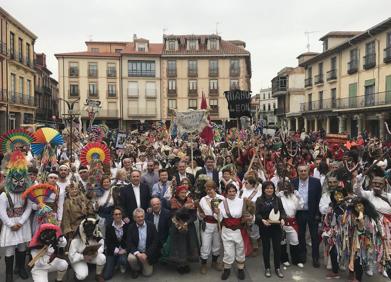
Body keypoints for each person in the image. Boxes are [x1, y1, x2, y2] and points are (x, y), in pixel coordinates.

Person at [0, 151, 33, 282]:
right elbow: (1, 212)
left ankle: (20, 268)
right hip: (10, 224)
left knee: (22, 246)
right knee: (9, 248)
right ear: (10, 179)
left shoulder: (26, 193)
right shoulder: (4, 195)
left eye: (21, 179)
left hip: (22, 223)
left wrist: (22, 221)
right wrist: (10, 224)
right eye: (16, 179)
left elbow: (29, 207)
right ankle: (9, 274)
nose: (19, 183)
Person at [215, 183, 251, 280]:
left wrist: (249, 217)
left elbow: (247, 213)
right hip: (227, 230)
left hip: (239, 230)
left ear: (236, 192)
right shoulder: (222, 203)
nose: (232, 193)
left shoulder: (242, 202)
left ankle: (240, 269)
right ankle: (227, 270)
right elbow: (220, 218)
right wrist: (217, 213)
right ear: (226, 193)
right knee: (228, 252)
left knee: (240, 250)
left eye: (233, 191)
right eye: (229, 191)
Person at [162, 185, 199, 274]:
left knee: (188, 244)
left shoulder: (190, 201)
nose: (183, 194)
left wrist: (187, 223)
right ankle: (179, 264)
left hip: (189, 226)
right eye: (181, 192)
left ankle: (186, 263)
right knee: (179, 245)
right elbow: (175, 215)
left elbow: (194, 216)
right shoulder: (173, 201)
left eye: (184, 192)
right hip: (177, 226)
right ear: (177, 193)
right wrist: (184, 208)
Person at [292, 164, 322, 268]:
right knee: (301, 235)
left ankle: (315, 257)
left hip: (312, 213)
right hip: (300, 213)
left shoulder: (316, 182)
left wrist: (318, 213)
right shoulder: (294, 182)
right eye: (301, 171)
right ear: (298, 172)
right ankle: (302, 255)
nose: (303, 172)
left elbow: (319, 199)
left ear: (308, 171)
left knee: (314, 236)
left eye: (305, 171)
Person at [256, 181, 286, 278]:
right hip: (265, 227)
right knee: (266, 248)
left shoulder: (278, 199)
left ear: (274, 189)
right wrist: (262, 220)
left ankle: (277, 268)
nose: (269, 190)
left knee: (277, 248)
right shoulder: (259, 200)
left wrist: (282, 219)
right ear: (263, 189)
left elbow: (282, 211)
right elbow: (257, 214)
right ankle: (267, 268)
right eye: (267, 188)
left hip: (276, 227)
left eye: (271, 188)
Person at [197, 180, 224, 274]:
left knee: (217, 244)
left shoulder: (221, 198)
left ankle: (214, 262)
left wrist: (218, 213)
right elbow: (199, 213)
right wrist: (201, 215)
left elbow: (224, 213)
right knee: (205, 245)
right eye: (207, 189)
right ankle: (204, 264)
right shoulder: (203, 199)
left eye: (210, 189)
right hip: (206, 225)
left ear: (215, 188)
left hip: (217, 225)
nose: (209, 191)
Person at [277, 179, 304, 269]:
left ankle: (296, 260)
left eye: (287, 186)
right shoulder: (279, 197)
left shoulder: (293, 196)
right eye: (283, 186)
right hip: (282, 223)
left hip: (292, 222)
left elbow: (300, 207)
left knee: (295, 241)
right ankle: (284, 259)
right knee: (282, 242)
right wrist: (277, 196)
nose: (285, 188)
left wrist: (299, 197)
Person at [68, 217, 106, 282]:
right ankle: (77, 277)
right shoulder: (76, 240)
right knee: (82, 275)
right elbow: (71, 256)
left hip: (91, 256)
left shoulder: (97, 235)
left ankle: (98, 275)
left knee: (102, 258)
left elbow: (101, 246)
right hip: (78, 259)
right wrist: (83, 257)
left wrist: (96, 252)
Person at [126, 208, 159, 278]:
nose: (140, 218)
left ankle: (142, 264)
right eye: (138, 217)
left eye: (142, 216)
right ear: (134, 218)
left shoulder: (151, 225)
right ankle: (136, 269)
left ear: (144, 216)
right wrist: (138, 254)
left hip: (147, 252)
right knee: (131, 258)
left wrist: (146, 254)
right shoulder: (131, 227)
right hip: (137, 252)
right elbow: (129, 243)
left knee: (147, 274)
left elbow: (155, 242)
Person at [239, 176, 262, 256]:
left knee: (254, 230)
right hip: (243, 213)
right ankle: (248, 246)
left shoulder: (257, 192)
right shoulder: (242, 191)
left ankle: (255, 247)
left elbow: (259, 204)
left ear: (252, 184)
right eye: (245, 182)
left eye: (247, 183)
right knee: (246, 230)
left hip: (253, 214)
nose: (245, 184)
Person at [103, 207, 128, 280]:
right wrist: (117, 251)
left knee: (123, 260)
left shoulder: (126, 225)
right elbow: (108, 242)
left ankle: (121, 263)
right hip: (113, 250)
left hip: (124, 250)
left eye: (120, 214)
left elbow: (129, 239)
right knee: (106, 276)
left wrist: (125, 250)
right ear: (113, 216)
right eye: (116, 214)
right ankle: (116, 263)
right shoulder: (109, 226)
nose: (118, 216)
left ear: (122, 215)